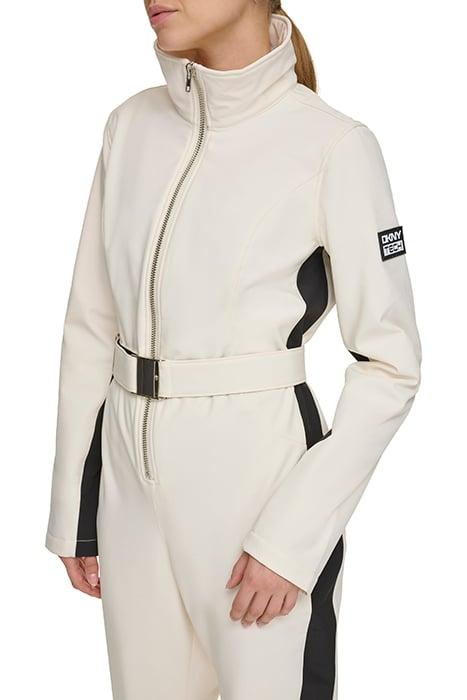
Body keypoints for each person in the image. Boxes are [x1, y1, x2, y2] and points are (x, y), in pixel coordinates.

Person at [44, 1, 422, 698]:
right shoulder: (130, 126)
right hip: (129, 489)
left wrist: (293, 540)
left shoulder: (333, 146)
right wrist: (75, 510)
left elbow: (391, 363)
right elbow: (92, 323)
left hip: (257, 485)